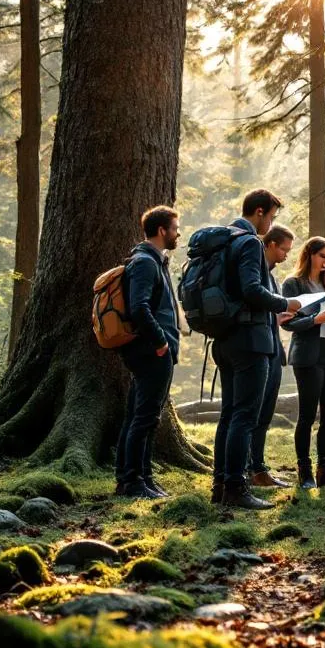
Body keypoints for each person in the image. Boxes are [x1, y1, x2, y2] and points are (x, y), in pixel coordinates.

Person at [211, 190, 301, 510]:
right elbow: (251, 289)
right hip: (250, 341)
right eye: (272, 217)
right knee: (245, 416)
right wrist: (284, 303)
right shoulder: (249, 241)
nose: (271, 223)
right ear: (260, 211)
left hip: (224, 338)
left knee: (229, 415)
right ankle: (236, 487)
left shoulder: (225, 239)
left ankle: (220, 483)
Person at [114, 205, 182, 499]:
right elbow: (138, 307)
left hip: (152, 350)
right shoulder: (144, 262)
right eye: (175, 227)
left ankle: (141, 477)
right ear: (161, 230)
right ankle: (132, 481)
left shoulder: (154, 260)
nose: (178, 233)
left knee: (138, 415)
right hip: (151, 351)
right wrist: (161, 342)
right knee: (145, 417)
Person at [281, 236, 325, 489]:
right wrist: (315, 320)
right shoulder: (293, 284)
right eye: (322, 255)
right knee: (307, 415)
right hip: (307, 356)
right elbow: (287, 323)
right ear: (309, 254)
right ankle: (305, 472)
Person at [246, 224, 297, 489]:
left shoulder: (271, 276)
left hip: (274, 347)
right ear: (272, 245)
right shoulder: (255, 272)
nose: (287, 255)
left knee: (265, 413)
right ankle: (250, 468)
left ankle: (258, 467)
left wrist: (278, 317)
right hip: (259, 349)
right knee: (253, 413)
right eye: (285, 250)